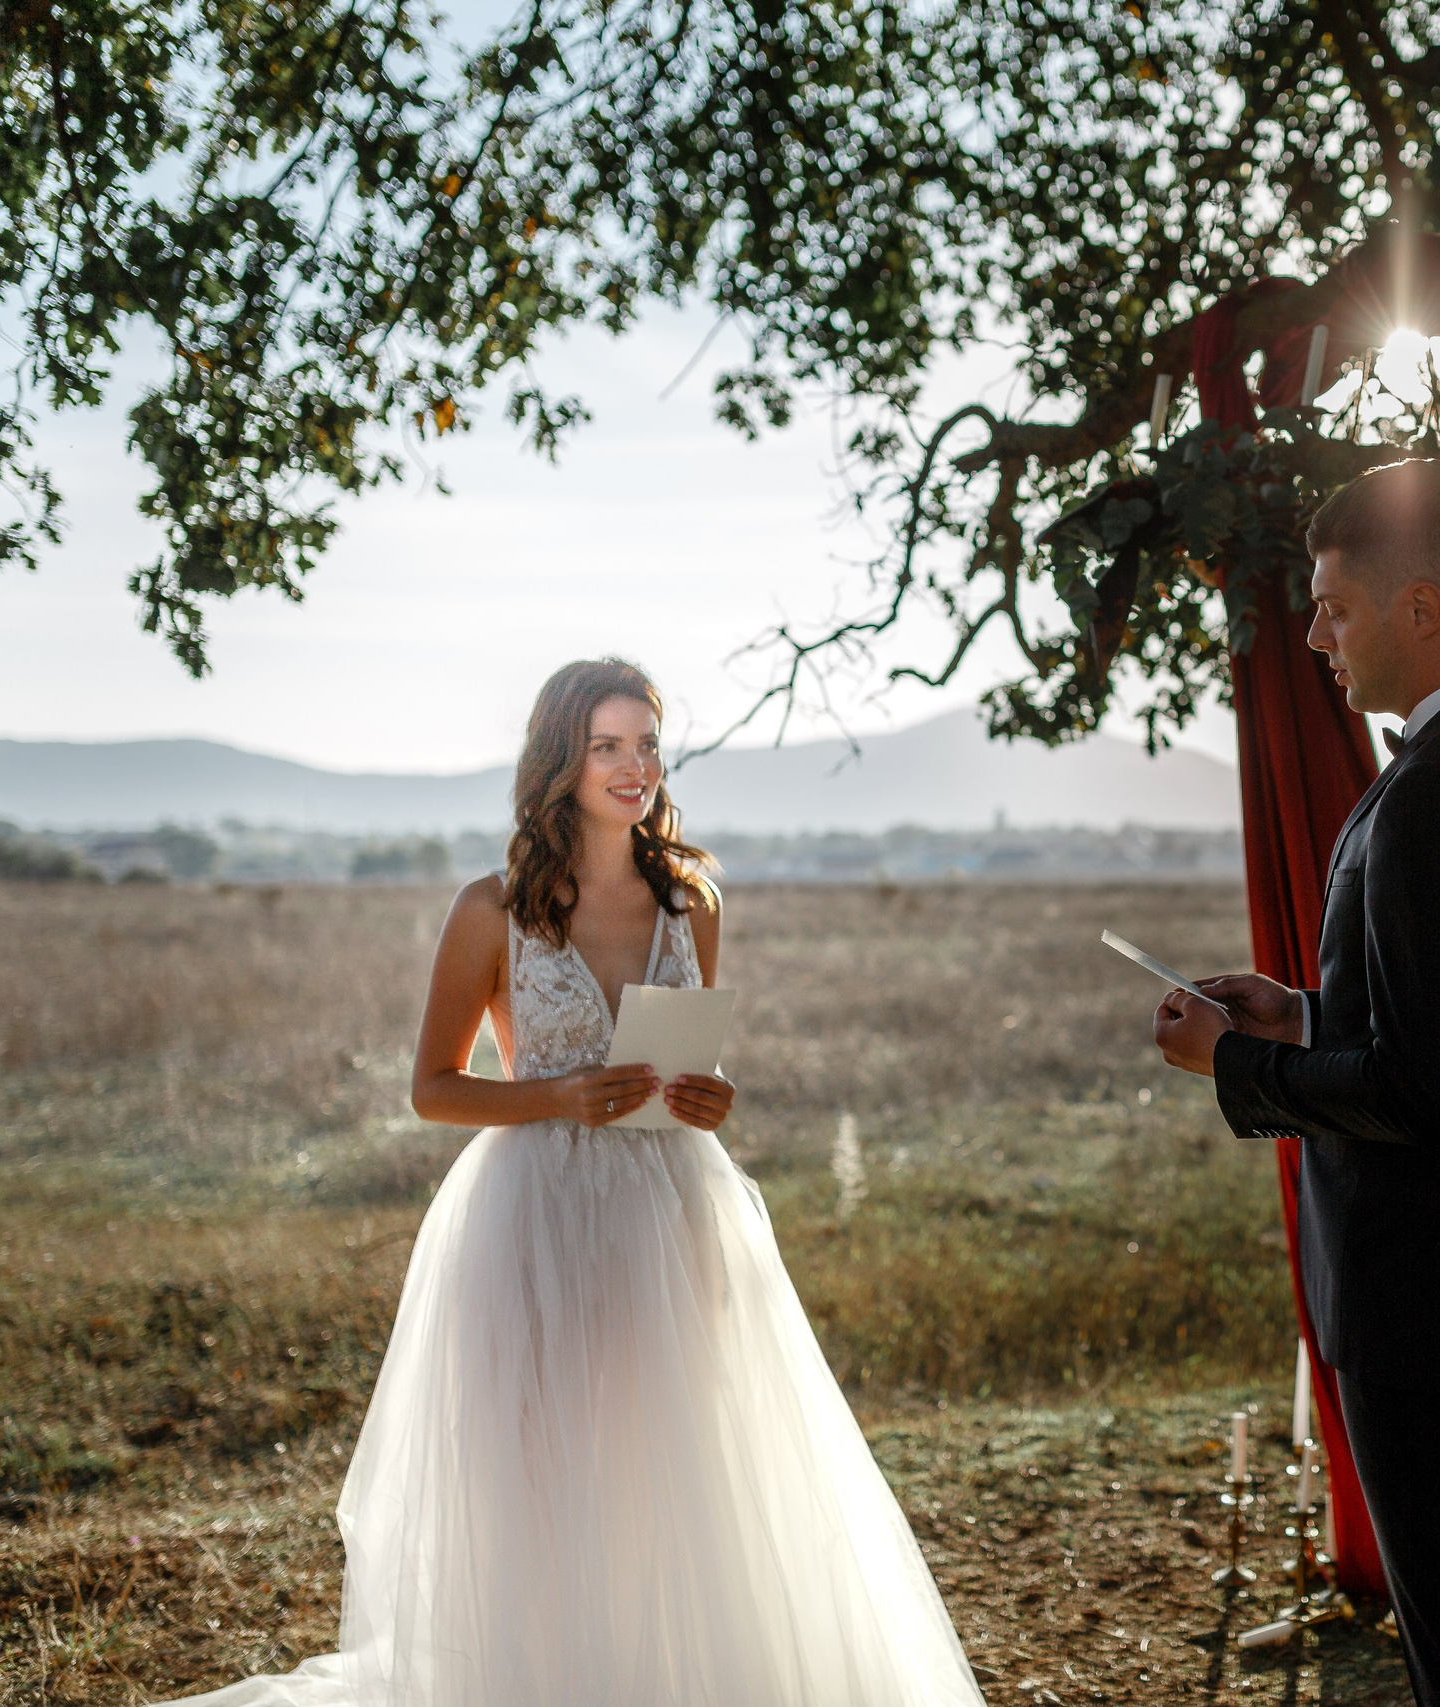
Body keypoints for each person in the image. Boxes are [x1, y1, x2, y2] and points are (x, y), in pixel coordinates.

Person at [165, 659, 981, 1707]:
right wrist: (558, 1098)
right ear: (561, 759)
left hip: (673, 1212)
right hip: (533, 1217)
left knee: (672, 1466)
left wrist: (712, 1096)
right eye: (607, 746)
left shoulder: (694, 900)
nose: (633, 766)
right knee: (544, 1480)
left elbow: (696, 1056)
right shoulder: (490, 908)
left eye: (646, 743)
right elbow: (433, 1088)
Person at [1154, 461, 1440, 1707]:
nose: (1312, 634)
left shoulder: (1432, 796)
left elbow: (1416, 1093)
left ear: (1421, 608)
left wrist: (1236, 1064)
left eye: (1335, 607)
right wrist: (1301, 1014)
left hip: (1426, 1297)